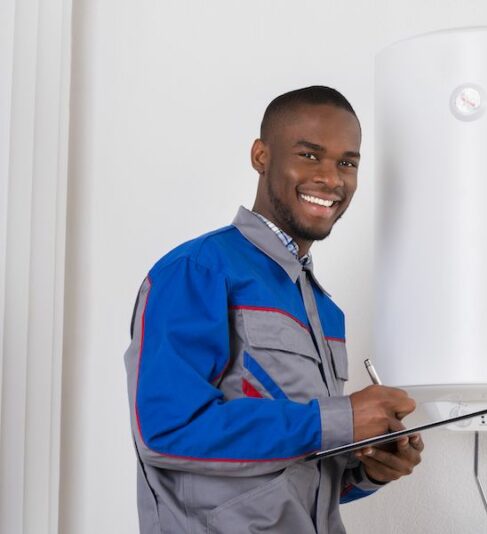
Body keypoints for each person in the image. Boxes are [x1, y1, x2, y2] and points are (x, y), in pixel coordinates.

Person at [123, 86, 423, 534]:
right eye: (309, 155)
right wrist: (341, 418)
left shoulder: (325, 310)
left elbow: (292, 473)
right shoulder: (198, 270)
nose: (331, 178)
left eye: (347, 162)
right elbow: (167, 432)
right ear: (261, 156)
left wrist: (369, 470)